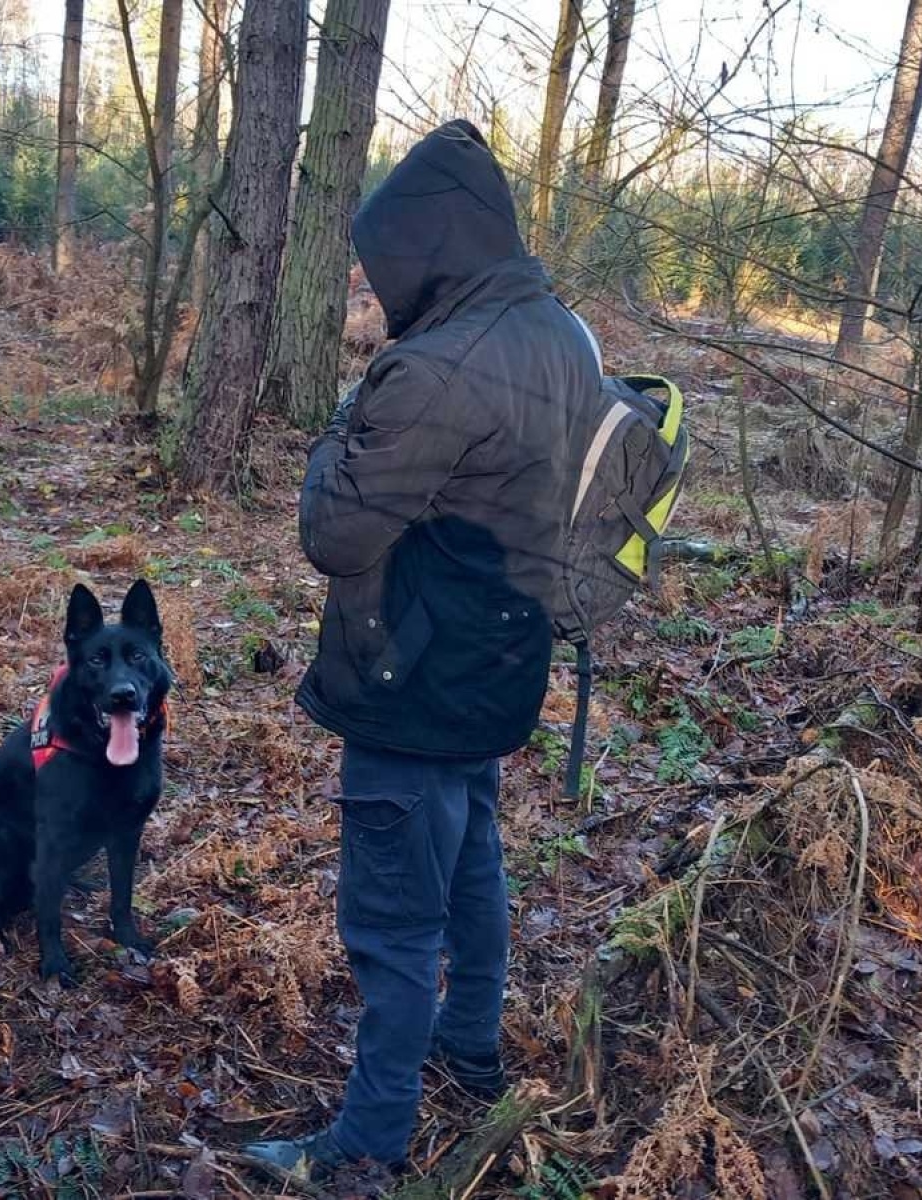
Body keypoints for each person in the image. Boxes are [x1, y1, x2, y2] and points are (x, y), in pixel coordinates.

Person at [245, 120, 604, 1176]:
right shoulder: (562, 332)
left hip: (410, 681)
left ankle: (366, 1147)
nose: (376, 281)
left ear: (433, 244)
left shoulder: (435, 369)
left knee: (393, 920)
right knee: (474, 863)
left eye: (387, 259)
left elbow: (334, 533)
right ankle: (471, 1046)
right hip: (500, 664)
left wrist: (336, 430)